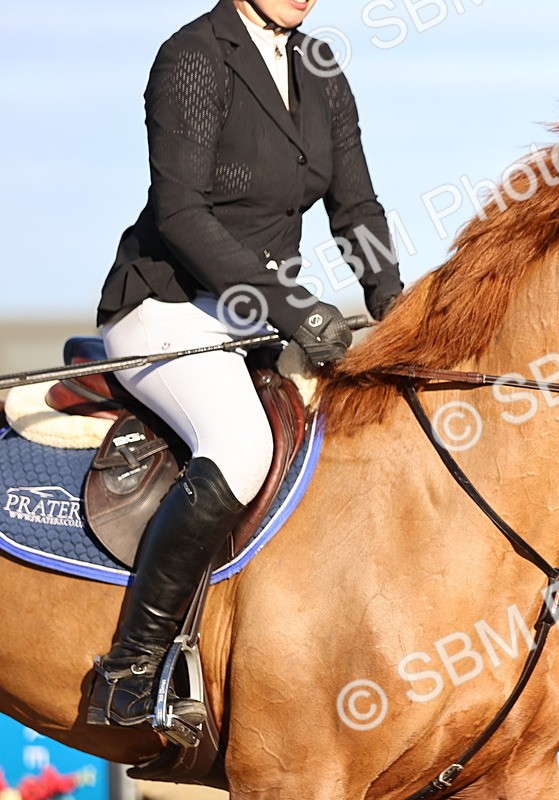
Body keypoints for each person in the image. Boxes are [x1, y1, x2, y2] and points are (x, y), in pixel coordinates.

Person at [88, 0, 402, 736]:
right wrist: (294, 308)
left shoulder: (320, 68)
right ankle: (132, 669)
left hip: (254, 322)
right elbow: (180, 212)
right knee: (240, 445)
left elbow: (355, 208)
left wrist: (397, 309)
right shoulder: (195, 55)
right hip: (164, 309)